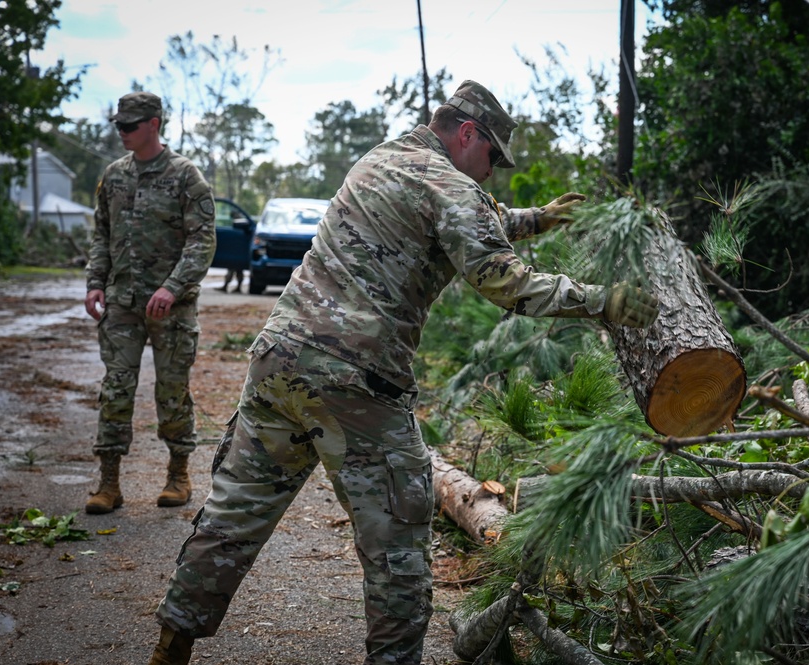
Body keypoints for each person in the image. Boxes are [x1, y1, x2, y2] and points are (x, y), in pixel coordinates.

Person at [149, 80, 657, 665]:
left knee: (235, 513)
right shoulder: (450, 184)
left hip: (278, 361)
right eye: (491, 156)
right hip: (355, 380)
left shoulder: (383, 158)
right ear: (468, 134)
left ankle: (172, 645)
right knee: (398, 548)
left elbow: (465, 217)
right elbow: (502, 280)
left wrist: (538, 219)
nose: (490, 173)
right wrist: (603, 300)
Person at [84, 91, 216, 515]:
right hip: (122, 303)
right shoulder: (114, 176)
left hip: (170, 307)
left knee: (172, 391)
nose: (121, 132)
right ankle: (109, 482)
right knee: (116, 388)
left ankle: (178, 474)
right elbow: (101, 234)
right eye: (118, 125)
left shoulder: (185, 176)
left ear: (154, 124)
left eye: (129, 125)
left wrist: (172, 287)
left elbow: (202, 240)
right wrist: (94, 283)